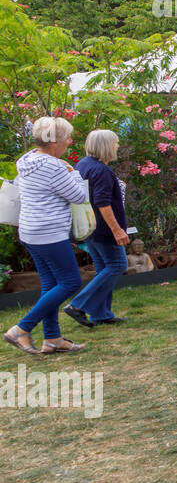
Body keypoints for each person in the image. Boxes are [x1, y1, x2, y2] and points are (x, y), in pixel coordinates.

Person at [4, 117, 91, 355]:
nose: (70, 142)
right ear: (54, 142)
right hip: (50, 232)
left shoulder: (27, 160)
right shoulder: (53, 166)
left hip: (30, 230)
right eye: (67, 138)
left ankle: (52, 339)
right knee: (71, 282)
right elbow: (78, 196)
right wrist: (73, 172)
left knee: (51, 284)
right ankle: (22, 328)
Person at [64, 129, 129, 327]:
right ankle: (77, 305)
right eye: (115, 142)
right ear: (106, 146)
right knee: (118, 265)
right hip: (102, 228)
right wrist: (117, 230)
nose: (117, 146)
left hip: (88, 226)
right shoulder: (101, 170)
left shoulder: (83, 164)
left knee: (103, 268)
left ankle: (101, 313)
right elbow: (103, 203)